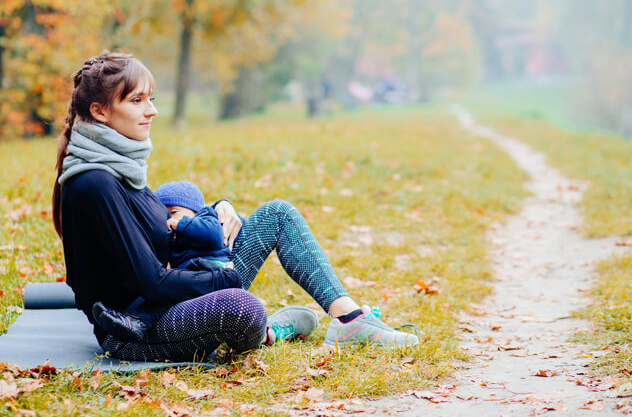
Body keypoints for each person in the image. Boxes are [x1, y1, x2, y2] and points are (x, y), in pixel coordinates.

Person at [52, 51, 418, 364]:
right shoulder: (94, 183)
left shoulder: (118, 162)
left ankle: (348, 320)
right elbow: (152, 283)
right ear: (100, 112)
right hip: (135, 329)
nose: (152, 111)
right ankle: (270, 331)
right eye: (137, 101)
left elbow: (162, 225)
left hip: (172, 295)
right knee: (242, 307)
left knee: (277, 213)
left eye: (151, 98)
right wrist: (227, 275)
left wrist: (219, 210)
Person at [93, 180, 241, 341]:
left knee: (169, 291)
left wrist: (181, 224)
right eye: (163, 216)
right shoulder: (174, 238)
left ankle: (137, 321)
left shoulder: (207, 216)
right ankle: (133, 321)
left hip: (212, 269)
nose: (168, 220)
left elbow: (214, 235)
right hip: (191, 277)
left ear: (196, 211)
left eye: (174, 212)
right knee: (164, 299)